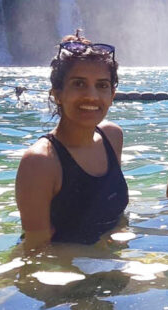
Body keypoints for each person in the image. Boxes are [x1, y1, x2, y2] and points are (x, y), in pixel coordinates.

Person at [15, 33, 127, 249]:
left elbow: (116, 216)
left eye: (102, 86)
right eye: (79, 84)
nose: (92, 96)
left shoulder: (112, 137)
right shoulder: (40, 162)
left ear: (112, 95)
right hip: (61, 276)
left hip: (109, 266)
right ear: (57, 94)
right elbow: (37, 250)